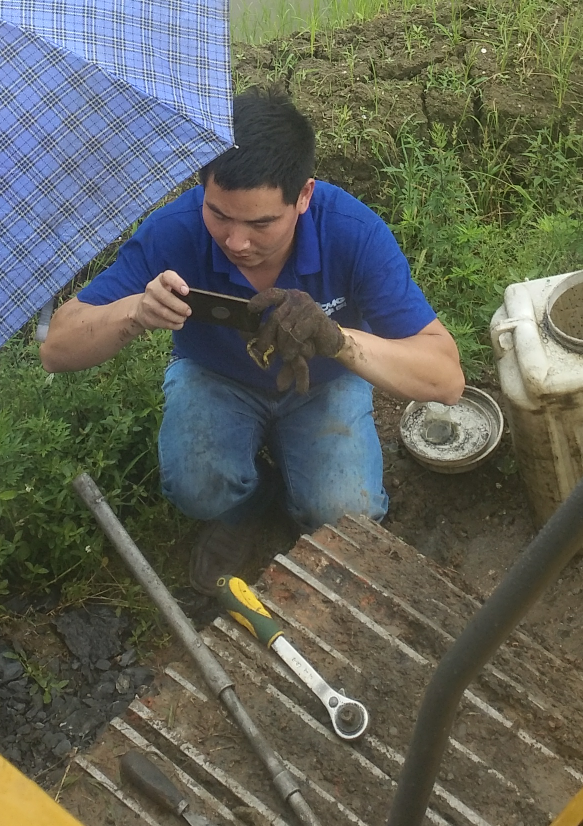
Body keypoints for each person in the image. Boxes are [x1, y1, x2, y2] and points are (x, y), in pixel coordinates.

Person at [40, 88, 465, 590]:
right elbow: (56, 347)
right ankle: (246, 505)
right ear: (203, 187)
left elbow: (446, 378)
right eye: (219, 215)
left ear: (303, 196)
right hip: (216, 377)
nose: (236, 242)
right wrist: (134, 311)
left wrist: (337, 341)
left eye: (261, 223)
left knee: (345, 512)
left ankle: (300, 499)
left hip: (325, 383)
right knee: (197, 487)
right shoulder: (175, 230)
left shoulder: (353, 234)